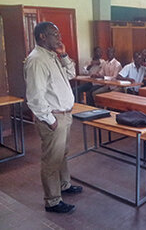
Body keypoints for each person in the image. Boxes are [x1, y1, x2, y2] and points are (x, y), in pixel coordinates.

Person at [24, 22, 82, 214]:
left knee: (61, 155)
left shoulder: (52, 56)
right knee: (51, 160)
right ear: (42, 36)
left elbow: (71, 74)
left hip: (64, 115)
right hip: (54, 118)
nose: (59, 38)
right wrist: (50, 120)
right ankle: (53, 201)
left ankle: (64, 186)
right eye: (55, 34)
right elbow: (34, 96)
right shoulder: (36, 60)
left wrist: (63, 54)